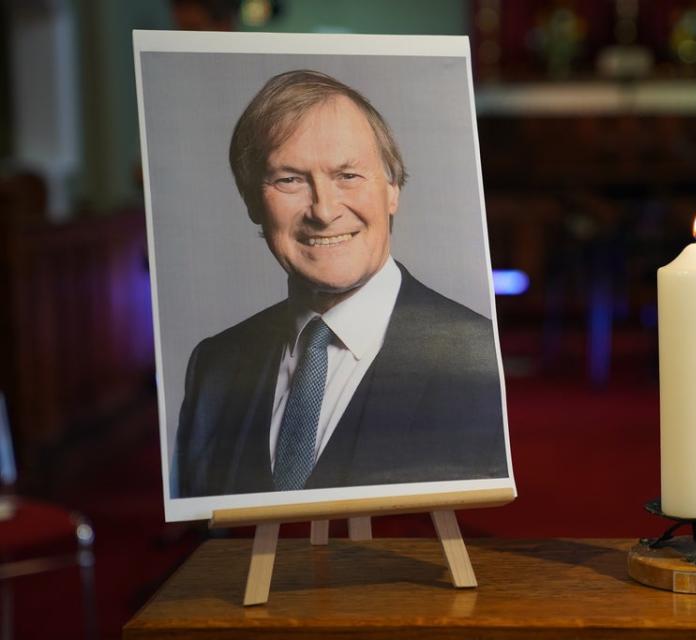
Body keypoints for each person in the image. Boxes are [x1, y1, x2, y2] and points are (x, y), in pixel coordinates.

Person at [174, 70, 507, 498]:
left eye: (348, 175)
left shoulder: (472, 354)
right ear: (253, 201)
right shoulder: (214, 366)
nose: (324, 210)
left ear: (392, 190)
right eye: (289, 179)